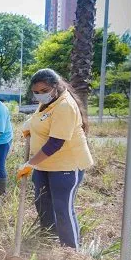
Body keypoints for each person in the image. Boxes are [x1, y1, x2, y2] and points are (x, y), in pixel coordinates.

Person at [17, 68, 93, 250]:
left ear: (55, 87)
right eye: (36, 92)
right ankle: (49, 242)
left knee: (62, 209)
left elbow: (55, 143)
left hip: (66, 166)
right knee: (42, 203)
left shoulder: (65, 105)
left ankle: (71, 252)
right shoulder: (48, 103)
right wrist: (29, 126)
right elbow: (40, 118)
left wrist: (30, 163)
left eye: (44, 91)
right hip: (44, 166)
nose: (40, 95)